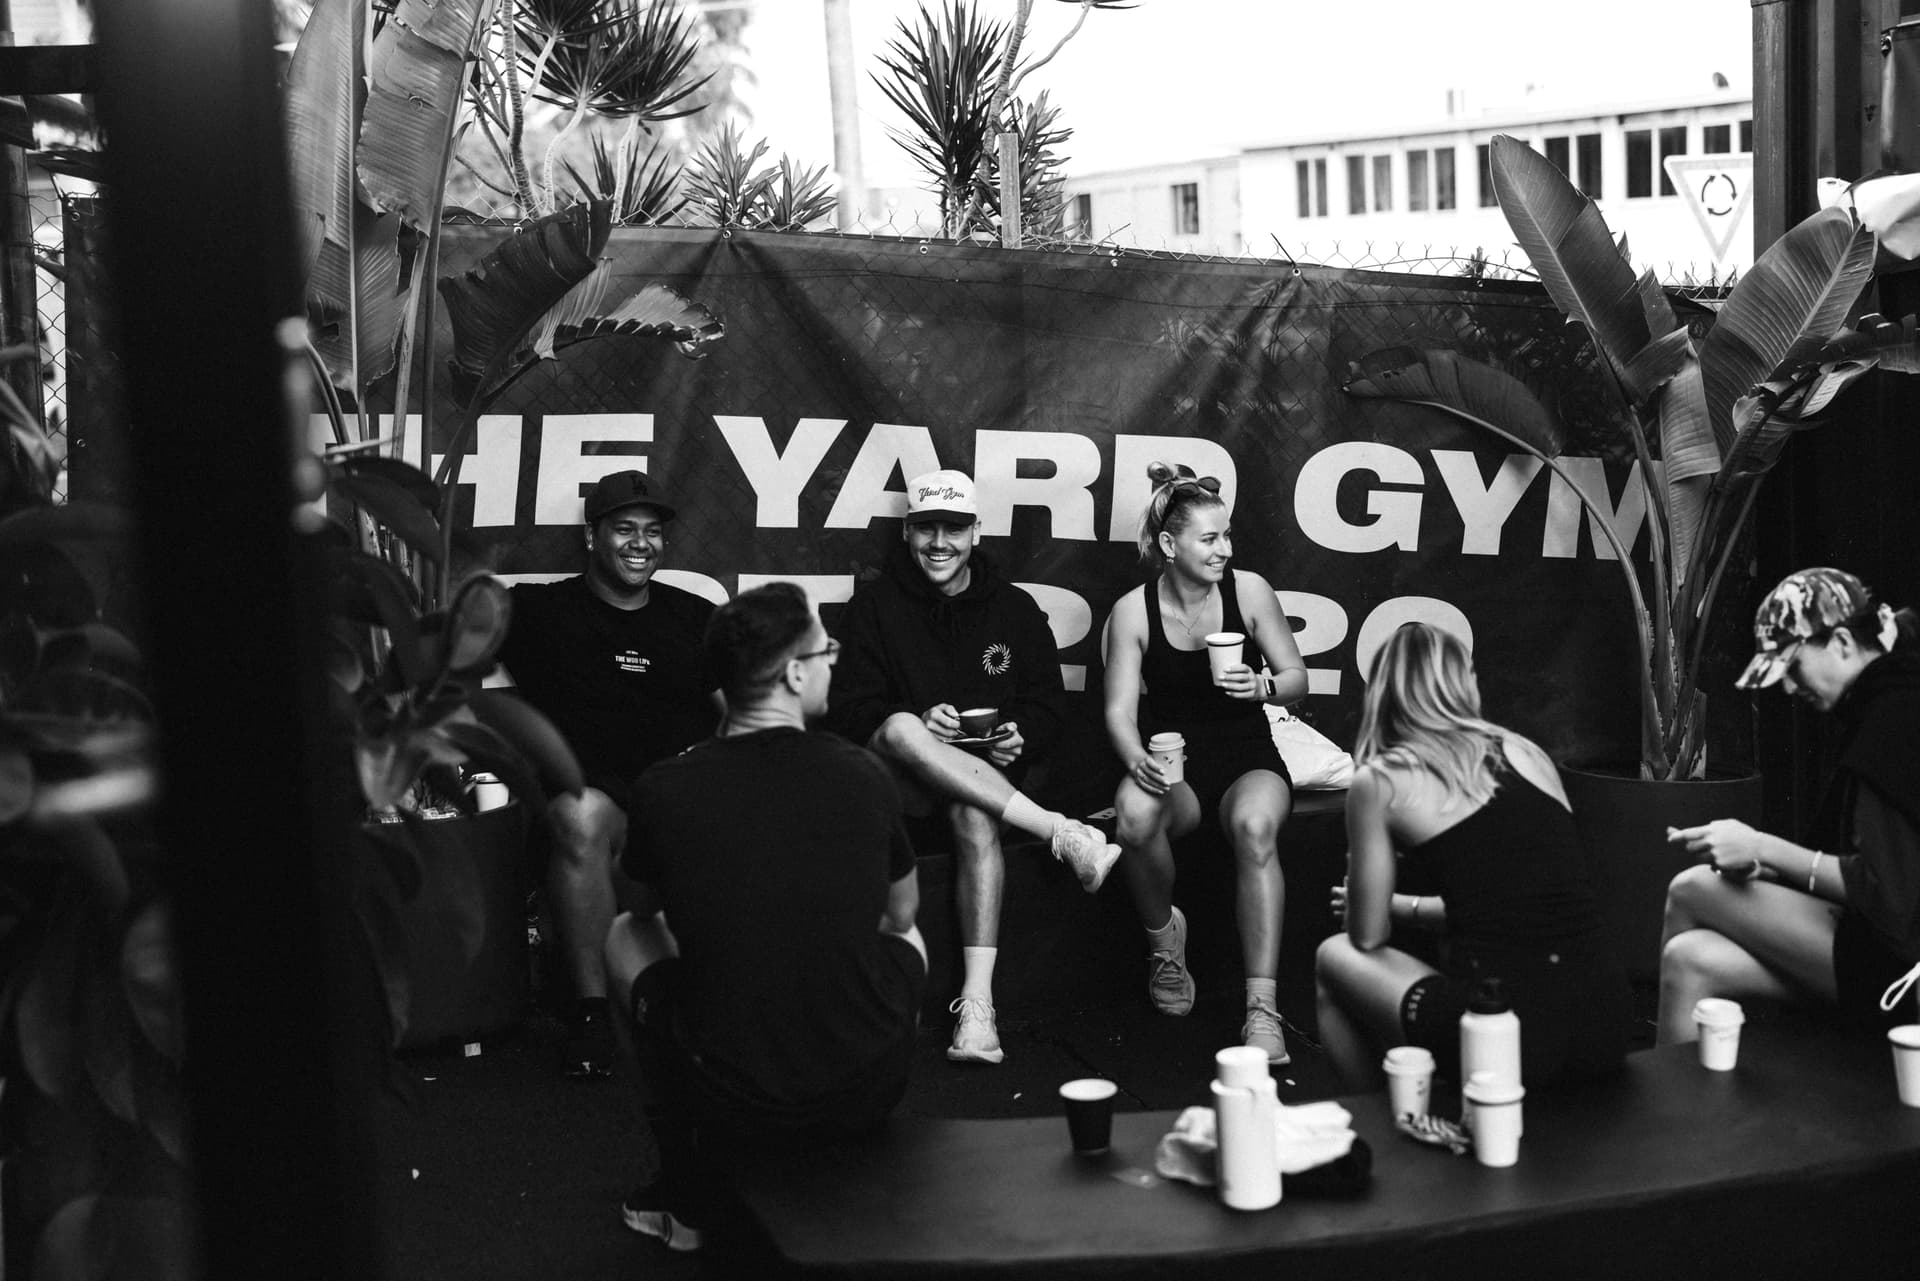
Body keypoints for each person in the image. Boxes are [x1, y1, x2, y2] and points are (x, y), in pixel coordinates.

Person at [606, 581, 926, 1251]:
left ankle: (685, 1188)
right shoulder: (865, 773)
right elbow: (903, 911)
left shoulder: (663, 786)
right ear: (794, 672)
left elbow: (637, 909)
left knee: (622, 935)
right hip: (863, 1085)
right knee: (904, 934)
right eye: (826, 649)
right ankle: (860, 1142)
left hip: (726, 1096)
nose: (833, 661)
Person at [828, 468, 1119, 1066]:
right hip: (901, 781)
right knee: (906, 726)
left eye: (953, 530)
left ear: (976, 532)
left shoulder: (1013, 607)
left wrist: (1022, 734)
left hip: (988, 784)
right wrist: (913, 719)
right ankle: (1060, 831)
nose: (940, 543)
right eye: (927, 528)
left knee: (974, 811)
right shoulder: (875, 605)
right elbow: (849, 709)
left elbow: (1047, 706)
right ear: (908, 532)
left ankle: (977, 1005)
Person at [1313, 622, 1629, 1089]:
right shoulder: (1527, 753)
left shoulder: (1381, 780)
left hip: (1507, 1035)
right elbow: (1515, 902)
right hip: (1607, 1023)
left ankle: (1384, 1126)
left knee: (1331, 957)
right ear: (1466, 682)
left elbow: (1366, 936)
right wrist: (1405, 906)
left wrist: (1369, 896)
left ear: (1383, 693)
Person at [496, 469, 721, 1078]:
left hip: (680, 797)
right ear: (591, 537)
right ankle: (596, 1019)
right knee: (578, 813)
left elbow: (740, 711)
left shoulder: (695, 616)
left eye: (652, 532)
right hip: (600, 800)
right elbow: (442, 654)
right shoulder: (538, 609)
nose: (640, 544)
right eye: (624, 529)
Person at [1656, 568, 1920, 1044]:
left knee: (1691, 888)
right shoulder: (1890, 697)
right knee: (1688, 959)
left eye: (1793, 668)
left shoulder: (1893, 719)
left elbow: (1889, 903)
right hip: (1889, 957)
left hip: (1904, 977)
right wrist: (1770, 869)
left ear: (1841, 642)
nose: (1790, 689)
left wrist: (1764, 848)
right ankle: (1682, 1116)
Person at [1104, 461, 1308, 1064]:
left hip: (1248, 757)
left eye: (1227, 536)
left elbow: (1297, 678)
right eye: (1210, 538)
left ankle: (1262, 1009)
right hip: (1176, 766)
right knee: (1131, 815)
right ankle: (1166, 943)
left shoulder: (1249, 591)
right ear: (1170, 545)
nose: (1225, 549)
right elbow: (1117, 711)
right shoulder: (1132, 611)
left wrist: (1264, 689)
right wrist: (1136, 758)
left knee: (1253, 828)